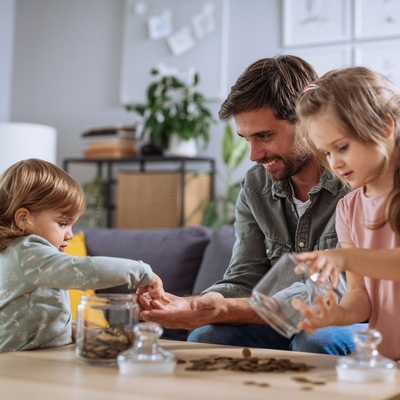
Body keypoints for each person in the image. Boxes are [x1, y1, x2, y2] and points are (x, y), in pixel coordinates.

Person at [139, 55, 366, 355]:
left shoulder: (355, 183)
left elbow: (336, 293)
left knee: (314, 341)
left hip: (351, 317)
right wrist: (194, 304)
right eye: (246, 138)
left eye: (264, 136)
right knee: (208, 338)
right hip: (280, 322)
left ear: (307, 121)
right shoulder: (256, 186)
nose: (254, 154)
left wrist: (224, 310)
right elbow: (244, 276)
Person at [0, 158, 168, 353]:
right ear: (23, 218)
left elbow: (35, 311)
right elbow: (83, 270)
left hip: (39, 357)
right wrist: (140, 272)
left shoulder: (18, 254)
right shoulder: (27, 251)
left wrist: (72, 330)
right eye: (62, 223)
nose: (70, 234)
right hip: (21, 363)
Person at [292, 66, 400, 360]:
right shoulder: (349, 209)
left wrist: (344, 257)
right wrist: (337, 315)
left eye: (341, 147)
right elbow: (360, 296)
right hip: (387, 360)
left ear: (384, 125)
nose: (335, 163)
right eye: (326, 153)